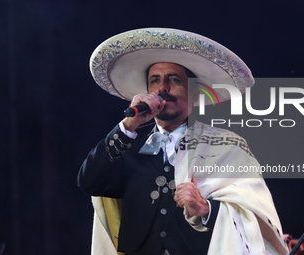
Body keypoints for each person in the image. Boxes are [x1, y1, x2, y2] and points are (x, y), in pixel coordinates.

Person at [78, 28, 288, 255]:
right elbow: (89, 182)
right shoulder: (127, 145)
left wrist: (205, 209)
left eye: (173, 79)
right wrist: (128, 125)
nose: (162, 88)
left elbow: (254, 215)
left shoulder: (226, 145)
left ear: (195, 95)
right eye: (154, 80)